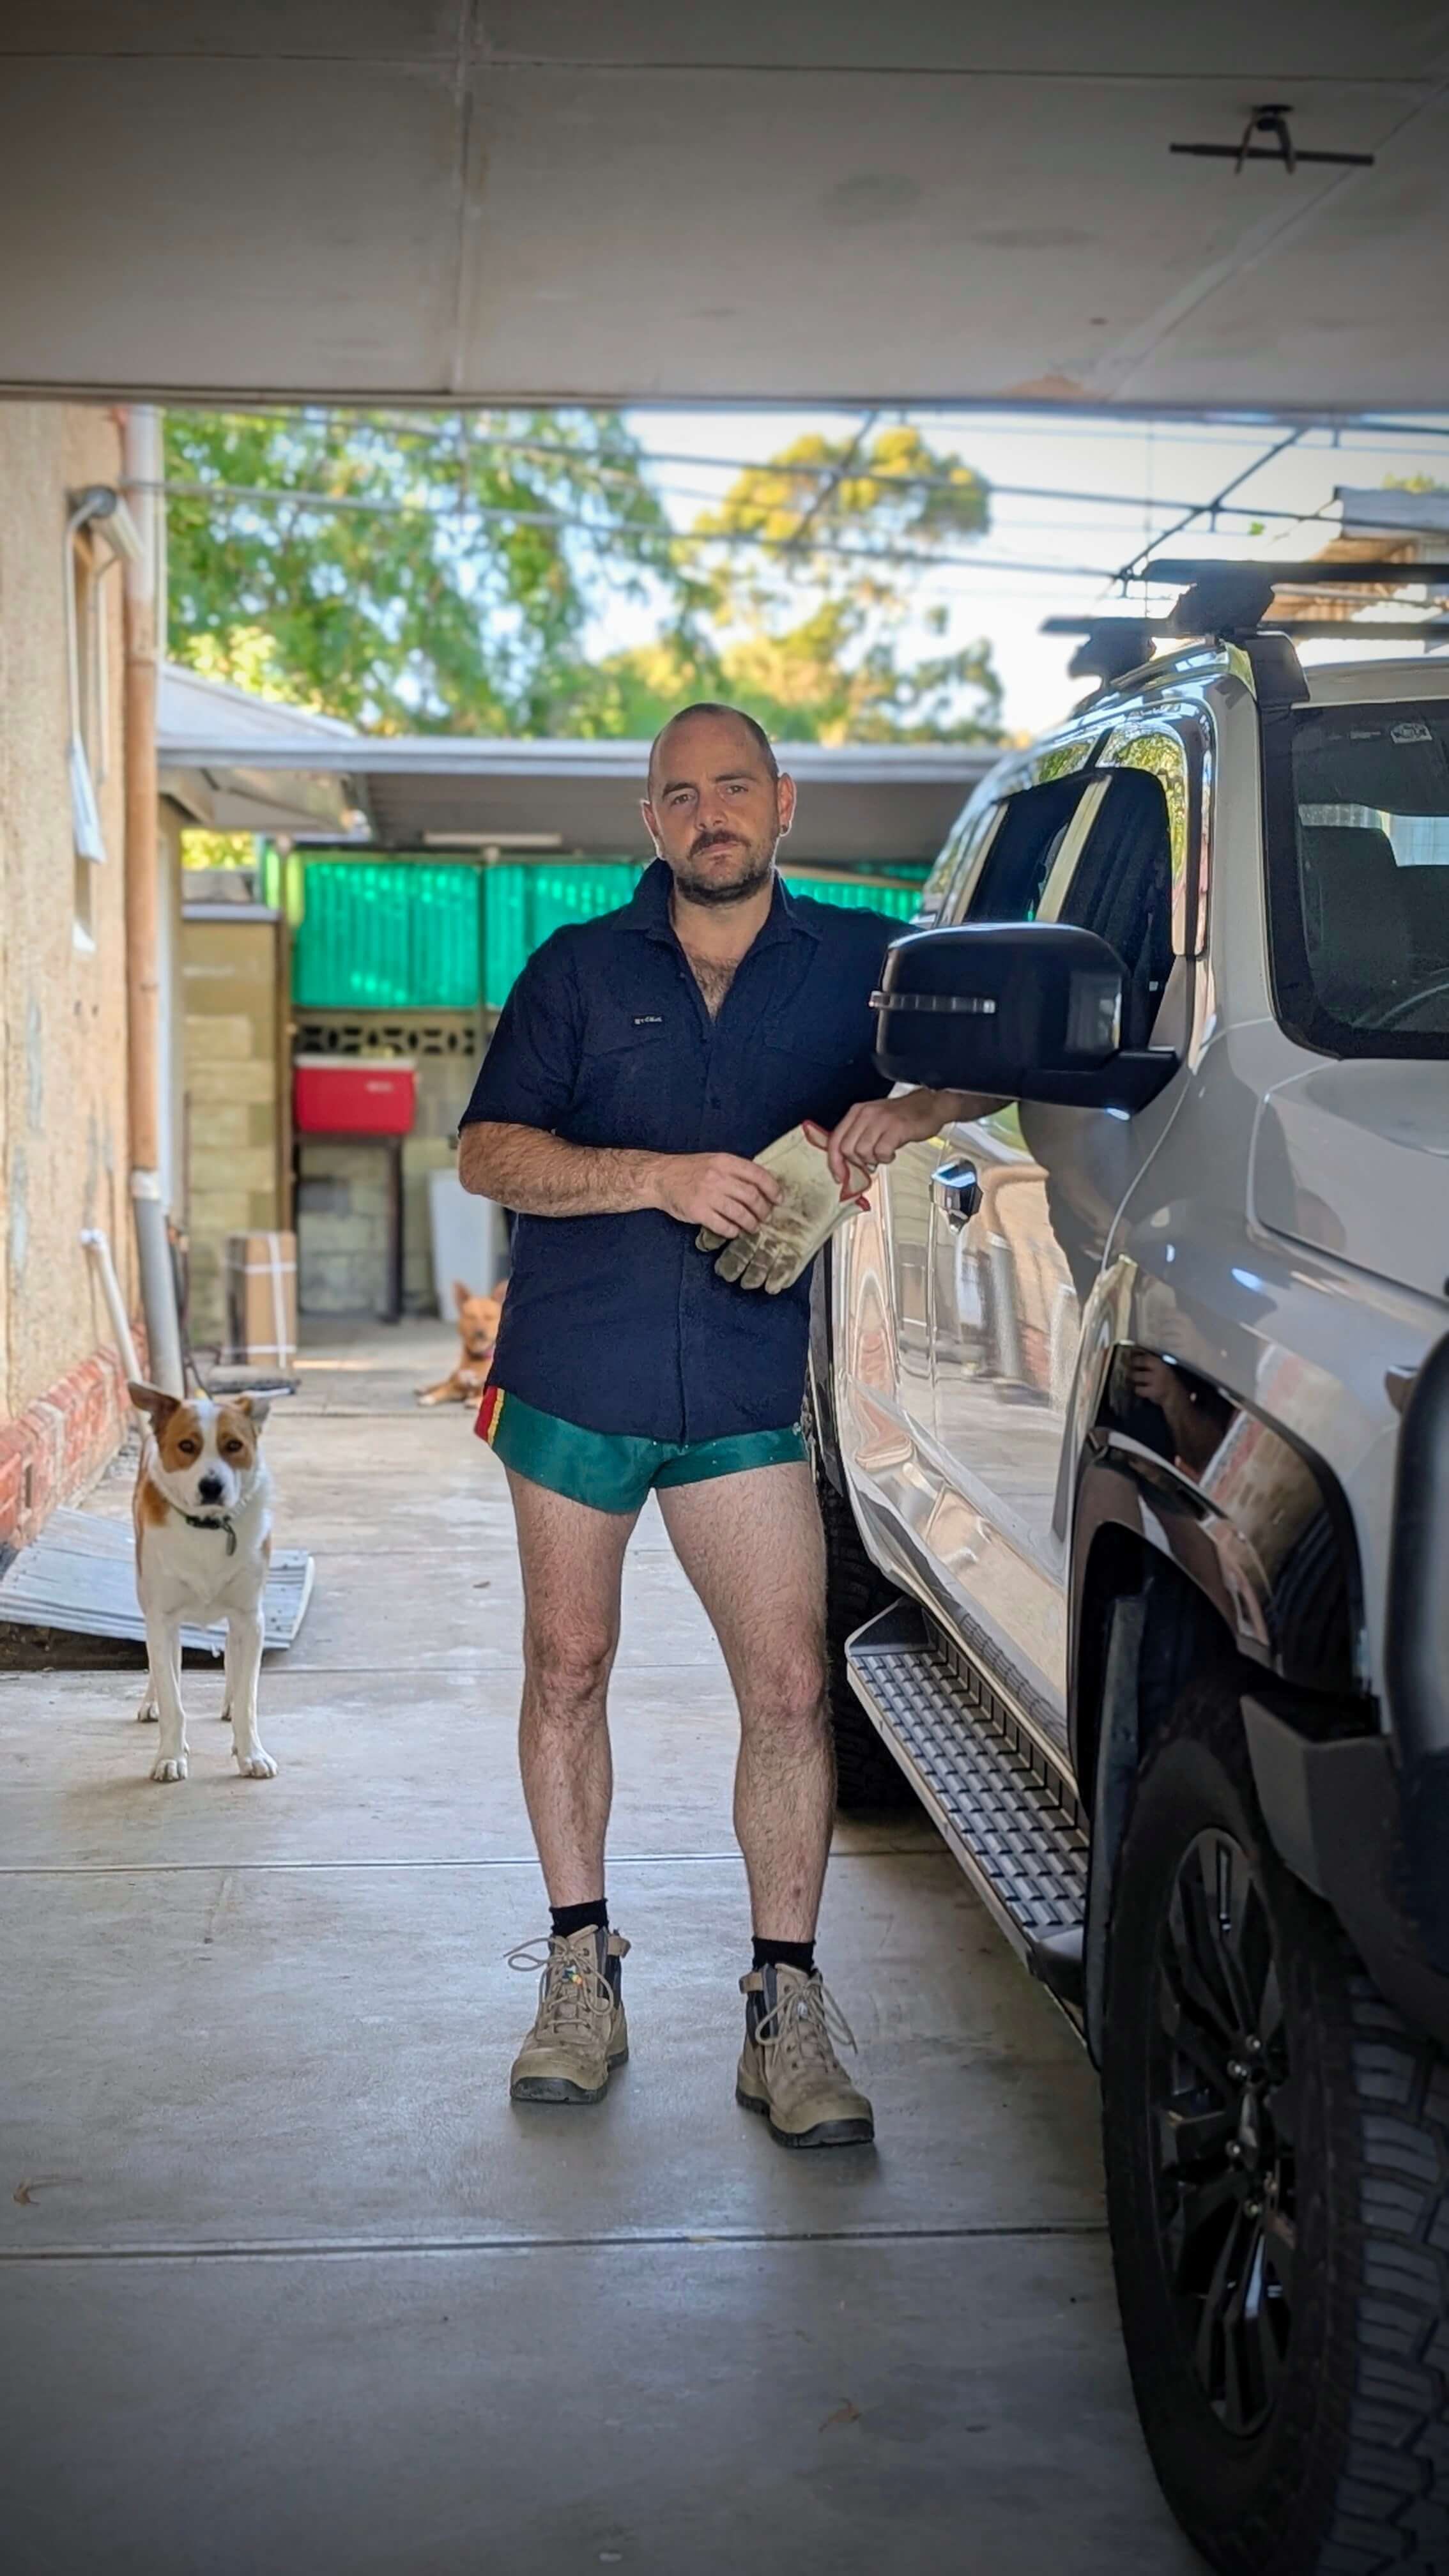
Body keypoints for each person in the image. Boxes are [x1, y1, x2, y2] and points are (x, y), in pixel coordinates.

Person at [458, 702, 976, 2147]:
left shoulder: (868, 967)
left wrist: (910, 1110)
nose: (710, 814)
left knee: (794, 1690)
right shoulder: (576, 969)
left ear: (785, 802)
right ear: (652, 821)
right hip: (576, 1375)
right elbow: (490, 1150)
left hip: (748, 1388)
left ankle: (785, 2004)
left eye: (734, 786)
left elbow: (1004, 1064)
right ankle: (579, 1968)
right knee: (568, 1665)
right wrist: (659, 1178)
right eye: (680, 794)